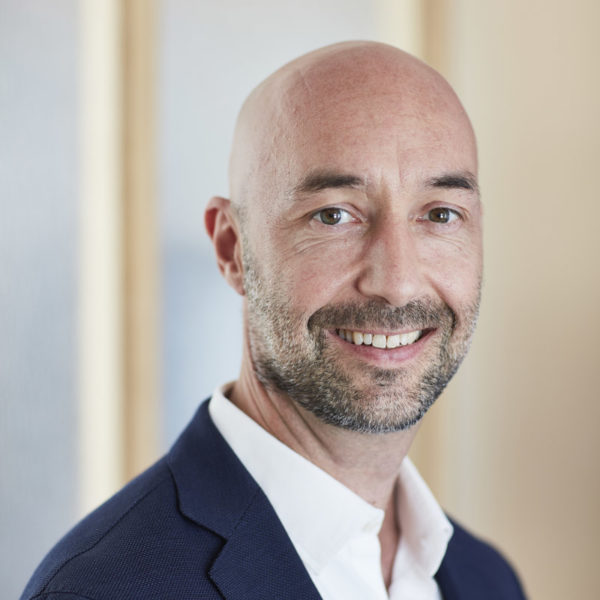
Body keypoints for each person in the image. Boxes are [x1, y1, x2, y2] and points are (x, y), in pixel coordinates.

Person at [21, 41, 526, 600]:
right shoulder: (102, 590)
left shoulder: (487, 580)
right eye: (333, 215)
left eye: (441, 214)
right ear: (232, 248)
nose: (398, 282)